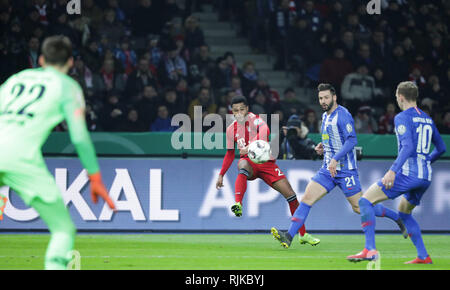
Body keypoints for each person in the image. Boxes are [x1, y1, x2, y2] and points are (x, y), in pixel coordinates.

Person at [0, 36, 116, 269]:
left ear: (41, 59)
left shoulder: (15, 80)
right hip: (19, 158)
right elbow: (80, 137)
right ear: (71, 63)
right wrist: (94, 176)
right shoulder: (67, 86)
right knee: (63, 230)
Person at [270, 83, 404, 248]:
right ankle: (289, 236)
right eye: (320, 98)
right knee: (306, 199)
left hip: (345, 170)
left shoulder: (343, 115)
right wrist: (322, 146)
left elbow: (352, 140)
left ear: (334, 97)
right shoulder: (325, 116)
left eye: (326, 97)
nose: (323, 101)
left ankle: (396, 217)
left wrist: (335, 159)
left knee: (359, 207)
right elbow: (333, 140)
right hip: (327, 170)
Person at [347, 81, 446, 264]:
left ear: (400, 97)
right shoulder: (427, 118)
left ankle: (369, 249)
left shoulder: (402, 117)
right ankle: (423, 256)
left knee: (364, 201)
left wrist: (393, 171)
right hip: (425, 177)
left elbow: (407, 147)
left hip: (408, 174)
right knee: (404, 214)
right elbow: (441, 148)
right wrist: (426, 162)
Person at [215, 95, 320, 246]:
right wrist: (221, 175)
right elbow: (230, 154)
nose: (239, 113)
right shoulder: (231, 130)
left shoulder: (255, 119)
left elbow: (265, 130)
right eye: (235, 110)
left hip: (266, 163)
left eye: (241, 109)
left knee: (291, 196)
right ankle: (238, 203)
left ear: (247, 109)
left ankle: (303, 234)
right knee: (242, 164)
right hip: (250, 164)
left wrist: (250, 146)